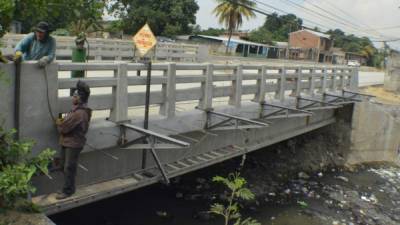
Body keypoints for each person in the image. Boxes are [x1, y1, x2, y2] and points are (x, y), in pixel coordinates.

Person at [55, 81, 91, 199]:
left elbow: (64, 128)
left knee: (69, 167)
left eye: (75, 96)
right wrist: (62, 121)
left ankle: (68, 190)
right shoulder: (76, 110)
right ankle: (68, 187)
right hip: (68, 142)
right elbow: (66, 123)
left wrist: (59, 123)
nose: (73, 98)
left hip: (74, 144)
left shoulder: (79, 113)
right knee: (62, 166)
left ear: (80, 99)